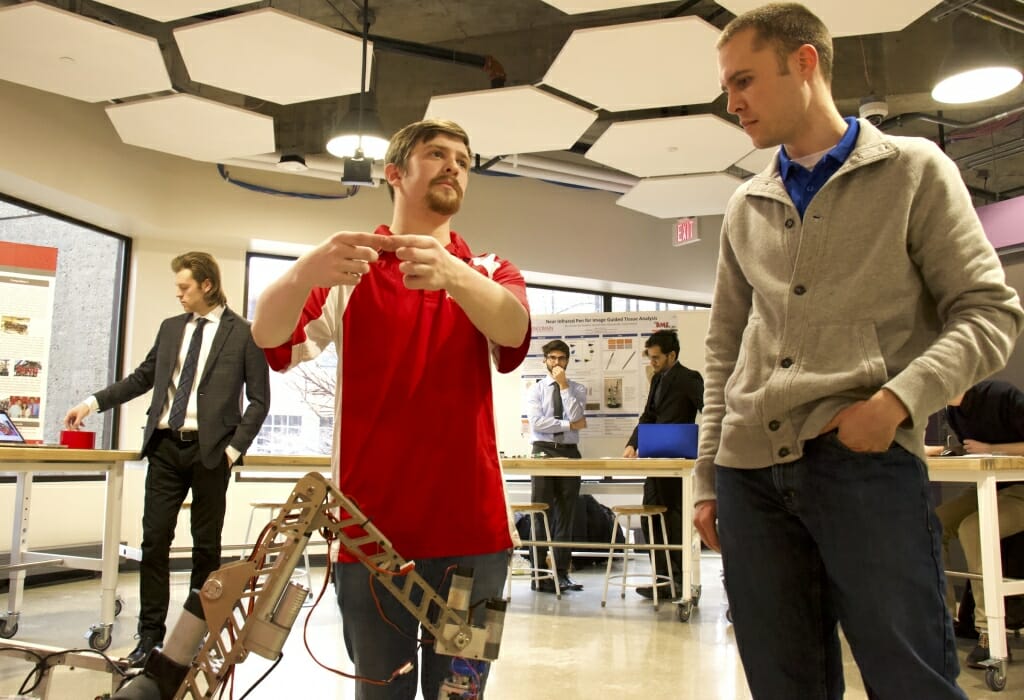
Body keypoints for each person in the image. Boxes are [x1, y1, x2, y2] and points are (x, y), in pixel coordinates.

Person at [691, 4, 1024, 698]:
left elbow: (989, 313)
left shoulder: (913, 170)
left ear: (805, 63)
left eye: (745, 80)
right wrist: (707, 478)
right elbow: (723, 351)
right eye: (728, 86)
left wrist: (899, 399)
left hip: (865, 466)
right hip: (749, 477)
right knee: (784, 685)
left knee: (912, 680)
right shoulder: (745, 205)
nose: (733, 102)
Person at [251, 119, 530, 700]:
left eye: (463, 158)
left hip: (475, 536)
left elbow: (514, 332)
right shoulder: (349, 272)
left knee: (463, 696)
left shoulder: (489, 271)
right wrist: (304, 271)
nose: (454, 165)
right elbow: (269, 338)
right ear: (395, 173)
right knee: (380, 694)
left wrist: (451, 272)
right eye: (436, 154)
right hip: (370, 537)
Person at [64, 252, 270, 667]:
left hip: (212, 453)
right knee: (155, 542)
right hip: (164, 447)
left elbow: (259, 400)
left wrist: (233, 451)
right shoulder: (171, 328)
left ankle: (195, 640)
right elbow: (143, 377)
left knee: (205, 550)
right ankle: (149, 637)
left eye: (184, 287)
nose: (178, 294)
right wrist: (92, 403)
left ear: (207, 285)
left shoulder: (244, 333)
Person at [928, 379, 1024, 668]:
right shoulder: (953, 411)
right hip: (992, 485)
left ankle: (989, 633)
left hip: (1019, 484)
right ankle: (942, 622)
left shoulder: (1002, 396)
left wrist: (993, 447)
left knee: (975, 528)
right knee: (934, 524)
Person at [623, 329, 703, 599]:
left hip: (677, 460)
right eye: (650, 357)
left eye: (656, 358)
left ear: (672, 355)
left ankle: (680, 581)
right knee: (651, 519)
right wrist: (632, 443)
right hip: (654, 458)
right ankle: (662, 580)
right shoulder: (657, 380)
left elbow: (707, 407)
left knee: (674, 522)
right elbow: (649, 415)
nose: (653, 362)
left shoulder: (690, 378)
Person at [525, 338, 587, 593]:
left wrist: (563, 387)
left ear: (568, 361)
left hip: (569, 452)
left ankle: (561, 573)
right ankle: (539, 574)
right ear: (545, 361)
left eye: (561, 358)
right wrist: (567, 426)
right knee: (541, 512)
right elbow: (537, 423)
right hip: (543, 451)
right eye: (552, 358)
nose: (557, 363)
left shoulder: (577, 389)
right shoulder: (536, 389)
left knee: (566, 513)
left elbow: (577, 417)